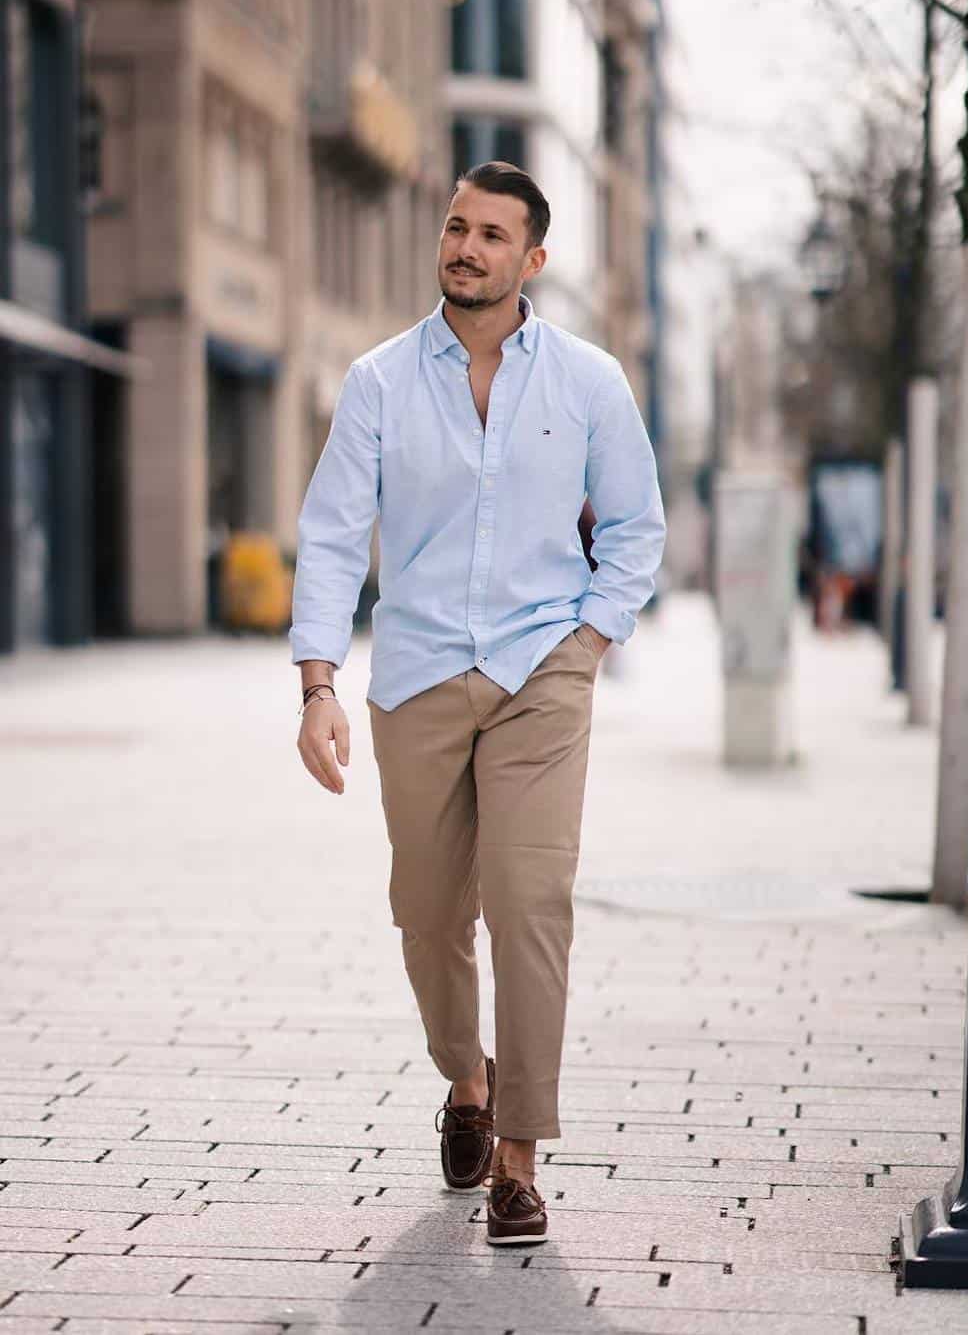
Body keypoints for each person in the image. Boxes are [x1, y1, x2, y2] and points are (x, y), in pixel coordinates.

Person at [290, 161, 665, 1245]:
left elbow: (635, 526)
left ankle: (517, 1156)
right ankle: (467, 1078)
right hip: (413, 676)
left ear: (532, 259)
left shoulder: (589, 381)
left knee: (530, 902)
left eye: (493, 234)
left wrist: (592, 637)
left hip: (542, 667)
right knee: (426, 913)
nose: (466, 246)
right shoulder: (376, 381)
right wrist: (318, 681)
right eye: (456, 226)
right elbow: (327, 534)